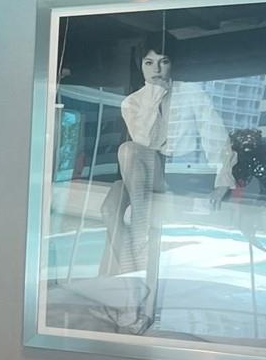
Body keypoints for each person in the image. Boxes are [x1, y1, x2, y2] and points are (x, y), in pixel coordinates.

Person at [100, 46, 235, 277]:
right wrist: (154, 96)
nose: (156, 69)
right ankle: (134, 269)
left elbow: (215, 136)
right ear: (140, 66)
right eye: (149, 63)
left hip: (177, 174)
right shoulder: (132, 102)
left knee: (128, 151)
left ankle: (136, 267)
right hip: (141, 173)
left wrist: (223, 180)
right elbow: (144, 140)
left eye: (163, 62)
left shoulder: (190, 92)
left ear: (172, 65)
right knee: (110, 208)